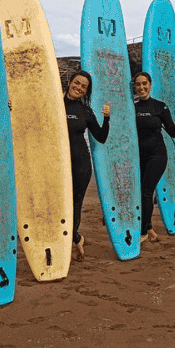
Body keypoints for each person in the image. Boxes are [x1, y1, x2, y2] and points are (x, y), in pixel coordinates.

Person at [132, 72, 175, 243]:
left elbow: (172, 131)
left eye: (144, 83)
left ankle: (143, 232)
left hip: (157, 154)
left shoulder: (160, 106)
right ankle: (149, 229)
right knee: (142, 193)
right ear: (134, 87)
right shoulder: (132, 108)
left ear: (150, 85)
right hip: (139, 156)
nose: (141, 87)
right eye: (138, 84)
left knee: (146, 191)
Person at [63, 71, 110, 261]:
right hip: (58, 164)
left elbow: (101, 137)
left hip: (80, 164)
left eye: (84, 87)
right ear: (69, 82)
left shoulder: (85, 110)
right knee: (58, 202)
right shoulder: (54, 103)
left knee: (75, 204)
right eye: (77, 83)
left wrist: (106, 118)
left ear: (86, 91)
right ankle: (77, 238)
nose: (79, 87)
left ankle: (70, 241)